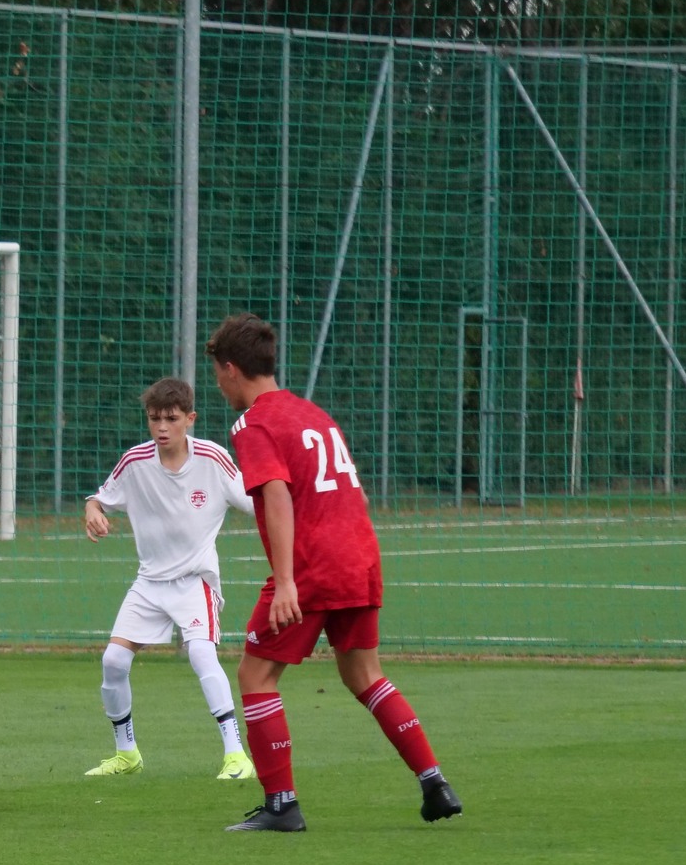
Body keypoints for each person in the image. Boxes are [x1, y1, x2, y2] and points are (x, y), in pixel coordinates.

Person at [208, 312, 464, 832]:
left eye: (217, 373)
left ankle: (282, 805)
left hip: (313, 566)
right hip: (360, 557)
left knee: (256, 675)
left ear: (231, 368)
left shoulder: (254, 423)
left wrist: (286, 582)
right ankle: (434, 783)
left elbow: (277, 496)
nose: (217, 385)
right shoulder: (314, 415)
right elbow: (356, 495)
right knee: (364, 674)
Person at [83, 377, 256, 780]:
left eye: (171, 419)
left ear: (190, 419)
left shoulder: (212, 458)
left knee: (201, 654)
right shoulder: (135, 461)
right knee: (113, 661)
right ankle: (127, 755)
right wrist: (92, 509)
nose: (162, 427)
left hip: (195, 581)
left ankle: (236, 755)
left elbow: (254, 500)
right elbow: (100, 498)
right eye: (154, 418)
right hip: (149, 583)